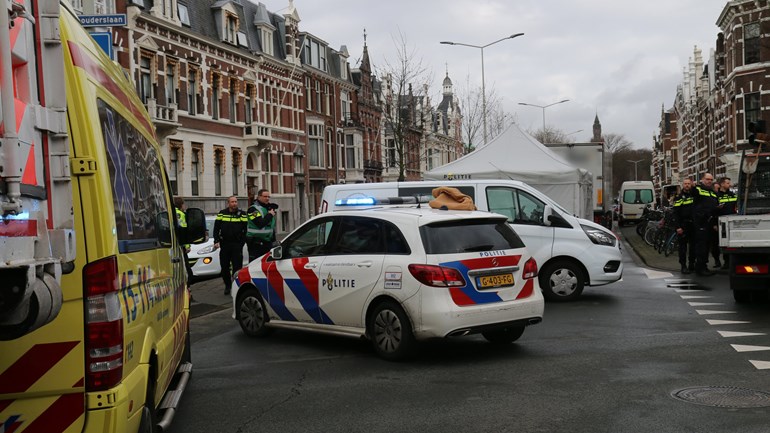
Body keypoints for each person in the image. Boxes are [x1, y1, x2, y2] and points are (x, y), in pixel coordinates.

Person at [213, 196, 247, 295]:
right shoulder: (222, 213)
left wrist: (242, 243)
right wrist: (216, 240)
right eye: (232, 202)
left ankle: (236, 286)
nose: (234, 204)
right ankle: (228, 285)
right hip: (225, 244)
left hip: (237, 244)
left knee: (237, 267)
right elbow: (216, 228)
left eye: (236, 202)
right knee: (224, 266)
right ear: (228, 203)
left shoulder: (242, 214)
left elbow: (246, 229)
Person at [691, 173, 720, 276]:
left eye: (711, 179)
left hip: (710, 222)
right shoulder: (698, 189)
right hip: (701, 221)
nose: (709, 181)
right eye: (707, 179)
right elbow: (693, 193)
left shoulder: (712, 192)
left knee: (707, 246)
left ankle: (704, 266)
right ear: (702, 180)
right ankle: (700, 267)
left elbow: (713, 205)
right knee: (701, 246)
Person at [712, 177, 737, 269]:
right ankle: (717, 260)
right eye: (727, 183)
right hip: (720, 222)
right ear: (722, 184)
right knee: (716, 243)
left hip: (731, 221)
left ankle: (727, 262)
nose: (729, 184)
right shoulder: (716, 196)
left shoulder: (732, 195)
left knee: (728, 243)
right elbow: (713, 211)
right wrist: (714, 224)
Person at [246, 189, 277, 261]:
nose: (267, 198)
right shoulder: (252, 210)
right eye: (265, 196)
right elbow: (260, 224)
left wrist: (273, 240)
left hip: (267, 242)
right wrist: (269, 215)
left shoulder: (267, 208)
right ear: (259, 197)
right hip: (255, 243)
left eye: (268, 197)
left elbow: (271, 227)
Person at [672, 178, 695, 274]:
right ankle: (683, 266)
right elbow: (675, 213)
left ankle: (691, 264)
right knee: (682, 248)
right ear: (683, 185)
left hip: (693, 224)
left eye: (689, 184)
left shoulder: (694, 196)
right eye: (685, 184)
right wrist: (678, 227)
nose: (687, 185)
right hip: (683, 225)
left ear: (691, 184)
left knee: (693, 246)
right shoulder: (679, 197)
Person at [174, 197, 193, 285]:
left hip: (173, 245)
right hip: (181, 246)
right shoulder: (181, 214)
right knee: (186, 270)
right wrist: (187, 246)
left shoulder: (171, 212)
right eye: (183, 204)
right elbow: (183, 231)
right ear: (181, 205)